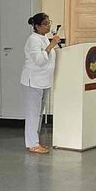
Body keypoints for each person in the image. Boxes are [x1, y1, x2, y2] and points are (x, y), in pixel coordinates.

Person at [21, 12, 60, 154]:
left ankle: (35, 141)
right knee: (33, 114)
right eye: (45, 23)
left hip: (44, 81)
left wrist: (52, 45)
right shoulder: (33, 40)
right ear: (37, 26)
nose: (48, 25)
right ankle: (32, 144)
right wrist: (52, 45)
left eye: (49, 22)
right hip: (33, 81)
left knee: (38, 114)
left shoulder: (44, 38)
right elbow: (40, 60)